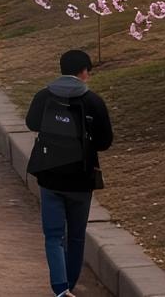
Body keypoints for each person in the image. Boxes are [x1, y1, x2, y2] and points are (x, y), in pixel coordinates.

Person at [26, 49, 113, 297]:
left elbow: (31, 123)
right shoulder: (93, 101)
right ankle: (70, 284)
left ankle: (60, 288)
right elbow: (105, 141)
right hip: (80, 177)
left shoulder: (44, 95)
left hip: (49, 174)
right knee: (76, 236)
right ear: (84, 71)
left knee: (53, 235)